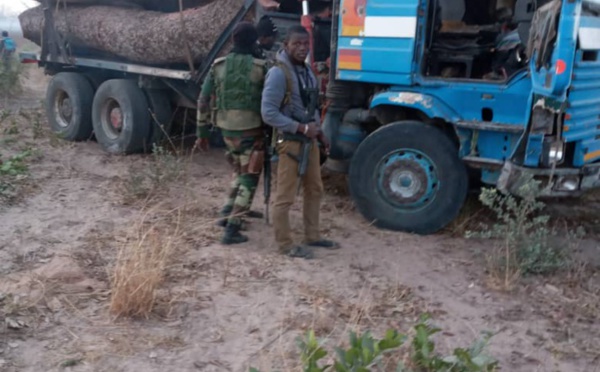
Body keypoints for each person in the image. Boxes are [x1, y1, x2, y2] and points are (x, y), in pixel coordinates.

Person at [261, 25, 337, 259]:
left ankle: (312, 236)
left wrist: (320, 133)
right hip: (291, 141)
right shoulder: (278, 73)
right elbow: (268, 113)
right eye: (297, 44)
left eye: (306, 44)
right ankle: (285, 244)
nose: (302, 48)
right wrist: (302, 128)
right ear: (286, 45)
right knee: (285, 196)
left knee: (315, 189)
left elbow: (311, 106)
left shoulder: (307, 72)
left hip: (308, 142)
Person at [195, 22, 267, 245]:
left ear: (233, 41)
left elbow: (203, 100)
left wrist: (202, 132)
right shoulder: (261, 67)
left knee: (239, 169)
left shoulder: (218, 66)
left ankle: (228, 210)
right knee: (250, 175)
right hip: (251, 129)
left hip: (226, 129)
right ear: (254, 41)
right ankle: (233, 228)